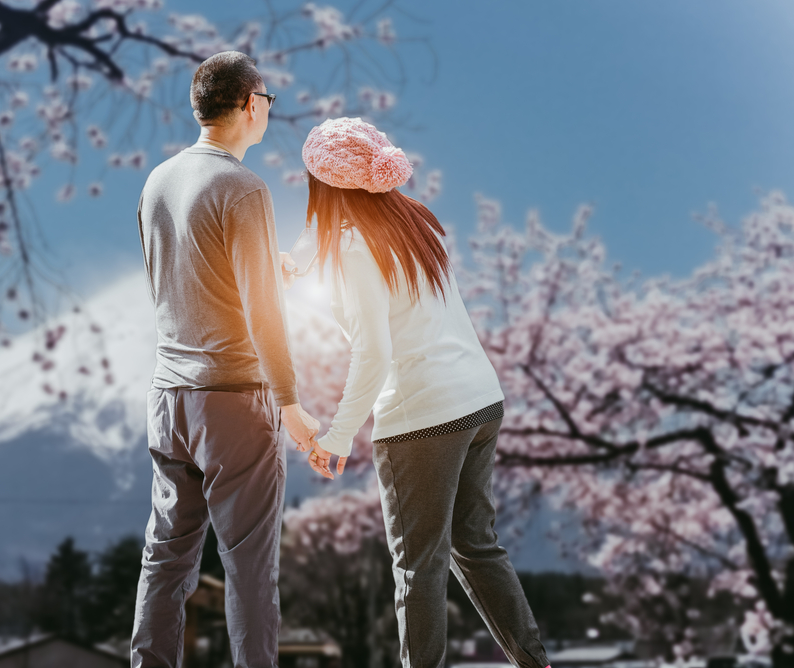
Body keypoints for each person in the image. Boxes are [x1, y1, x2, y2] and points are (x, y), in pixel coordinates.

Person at [300, 117, 552, 668]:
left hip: (423, 419)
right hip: (480, 401)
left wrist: (338, 435)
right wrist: (296, 263)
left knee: (419, 567)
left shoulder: (353, 248)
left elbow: (374, 353)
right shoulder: (414, 221)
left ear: (325, 187)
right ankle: (536, 662)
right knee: (476, 545)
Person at [131, 51, 320, 668]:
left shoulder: (158, 179)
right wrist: (290, 403)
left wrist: (268, 265)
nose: (268, 109)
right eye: (267, 98)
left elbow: (182, 277)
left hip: (168, 398)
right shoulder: (244, 187)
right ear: (248, 103)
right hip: (235, 399)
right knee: (247, 570)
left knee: (166, 559)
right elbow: (261, 311)